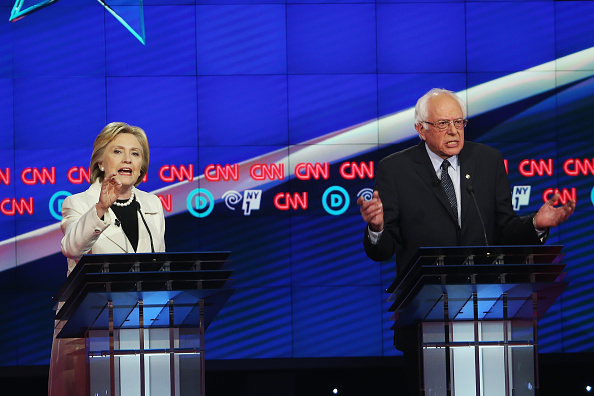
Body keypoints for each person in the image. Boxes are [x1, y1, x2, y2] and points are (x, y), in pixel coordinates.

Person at [357, 88, 575, 395]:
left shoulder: (488, 161)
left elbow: (505, 230)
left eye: (459, 123)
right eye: (443, 123)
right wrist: (377, 227)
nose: (453, 131)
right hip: (425, 316)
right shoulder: (396, 169)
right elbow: (384, 249)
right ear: (421, 130)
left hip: (489, 310)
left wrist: (536, 225)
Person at [48, 122, 166, 396]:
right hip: (91, 331)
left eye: (136, 154)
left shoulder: (153, 205)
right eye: (118, 151)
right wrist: (101, 207)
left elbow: (157, 267)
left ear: (141, 165)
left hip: (143, 329)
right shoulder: (79, 203)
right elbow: (72, 247)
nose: (128, 159)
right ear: (101, 162)